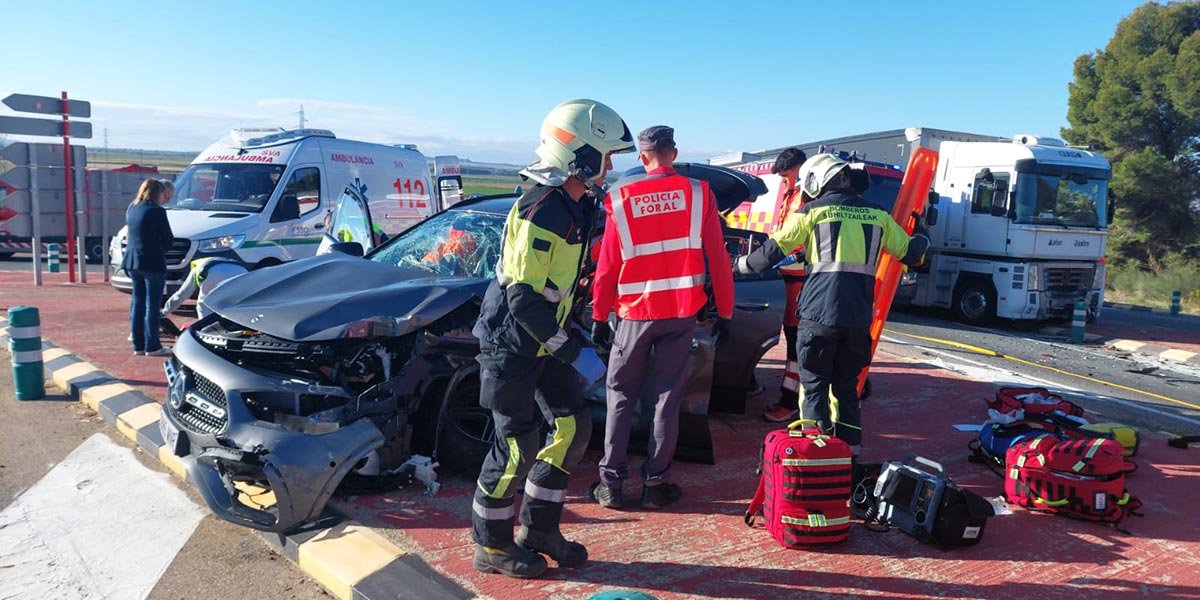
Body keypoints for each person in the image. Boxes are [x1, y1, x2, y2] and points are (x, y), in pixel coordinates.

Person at [470, 99, 634, 579]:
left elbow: (563, 287)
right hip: (513, 344)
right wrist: (572, 350)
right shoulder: (541, 210)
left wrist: (582, 334)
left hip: (547, 340)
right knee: (517, 445)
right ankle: (492, 548)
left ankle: (538, 530)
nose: (610, 166)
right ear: (577, 153)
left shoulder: (577, 205)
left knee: (571, 428)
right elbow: (523, 299)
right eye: (605, 156)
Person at [733, 153, 930, 462]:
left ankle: (815, 459)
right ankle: (847, 464)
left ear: (816, 181)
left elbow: (767, 255)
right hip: (856, 320)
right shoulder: (878, 215)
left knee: (812, 390)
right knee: (847, 393)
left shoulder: (810, 213)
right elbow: (913, 254)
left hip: (817, 317)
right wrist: (922, 232)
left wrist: (737, 265)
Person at [588, 126, 734, 510]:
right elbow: (718, 256)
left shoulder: (620, 196)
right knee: (667, 399)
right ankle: (655, 483)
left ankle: (611, 485)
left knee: (620, 395)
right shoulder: (700, 193)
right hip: (682, 313)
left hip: (634, 313)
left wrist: (599, 313)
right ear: (674, 152)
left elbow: (607, 264)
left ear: (642, 157)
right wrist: (728, 309)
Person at [762, 148, 810, 422]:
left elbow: (799, 240)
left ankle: (790, 400)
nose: (784, 182)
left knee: (796, 343)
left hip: (800, 280)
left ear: (801, 168)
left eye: (786, 176)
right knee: (793, 341)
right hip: (788, 278)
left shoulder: (808, 197)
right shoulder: (792, 195)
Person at [123, 178, 175, 357]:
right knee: (152, 305)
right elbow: (168, 239)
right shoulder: (157, 212)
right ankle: (152, 345)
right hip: (152, 263)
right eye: (164, 194)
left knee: (137, 302)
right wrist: (159, 246)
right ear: (157, 193)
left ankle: (138, 345)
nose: (164, 198)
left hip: (132, 261)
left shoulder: (132, 208)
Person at [162, 257, 249, 320]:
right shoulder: (215, 261)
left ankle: (203, 332)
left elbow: (184, 293)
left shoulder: (196, 268)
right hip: (243, 272)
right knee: (237, 304)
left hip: (214, 272)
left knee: (203, 305)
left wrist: (166, 311)